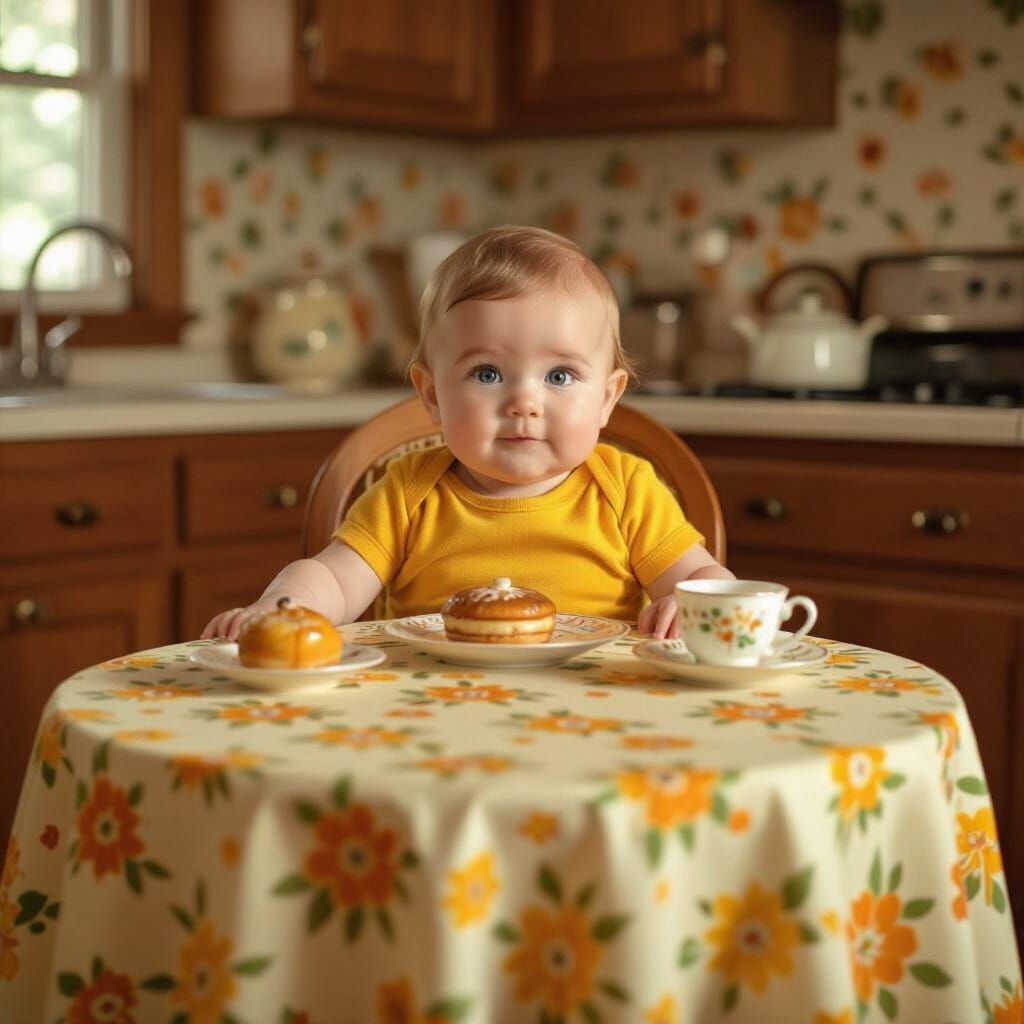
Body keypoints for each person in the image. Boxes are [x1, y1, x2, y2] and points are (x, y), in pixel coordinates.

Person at [202, 225, 733, 643]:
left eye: (559, 376)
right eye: (487, 374)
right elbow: (337, 581)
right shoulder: (407, 492)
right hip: (427, 708)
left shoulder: (627, 490)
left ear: (607, 399)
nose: (524, 401)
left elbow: (707, 577)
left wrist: (698, 606)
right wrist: (283, 605)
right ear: (432, 395)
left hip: (591, 706)